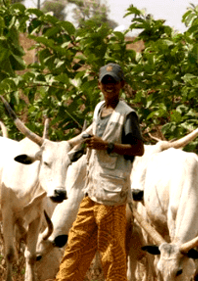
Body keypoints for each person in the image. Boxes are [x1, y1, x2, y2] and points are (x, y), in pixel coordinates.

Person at [55, 62, 144, 281]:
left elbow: (138, 149)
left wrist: (108, 146)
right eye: (105, 82)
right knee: (76, 244)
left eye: (113, 82)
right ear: (99, 85)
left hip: (112, 198)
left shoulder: (128, 115)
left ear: (122, 84)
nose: (109, 86)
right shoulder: (98, 108)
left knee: (112, 254)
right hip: (92, 192)